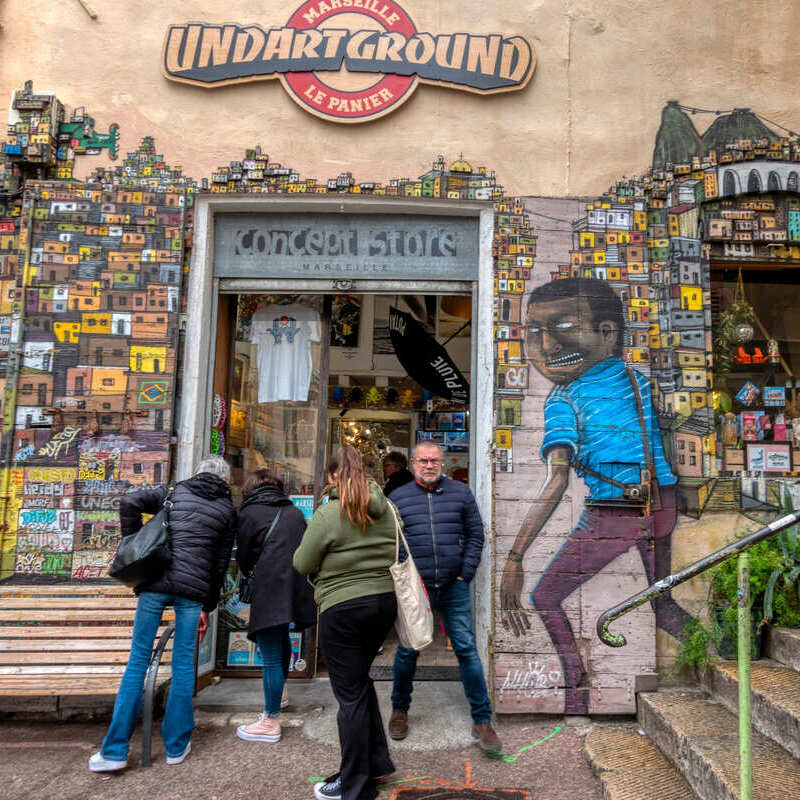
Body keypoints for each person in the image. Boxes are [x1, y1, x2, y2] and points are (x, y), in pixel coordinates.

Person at [499, 277, 691, 715]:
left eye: (562, 326)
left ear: (607, 332)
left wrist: (514, 559)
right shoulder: (635, 379)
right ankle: (717, 649)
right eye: (534, 332)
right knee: (663, 603)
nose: (546, 346)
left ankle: (575, 691)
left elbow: (557, 482)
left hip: (615, 513)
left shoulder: (564, 399)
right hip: (662, 502)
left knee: (544, 597)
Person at [88, 455, 236, 772]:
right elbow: (220, 566)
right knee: (184, 666)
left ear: (197, 473)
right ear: (224, 480)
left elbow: (129, 501)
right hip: (193, 593)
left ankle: (114, 752)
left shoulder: (173, 492)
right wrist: (208, 607)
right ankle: (176, 747)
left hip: (155, 585)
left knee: (138, 661)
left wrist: (132, 541)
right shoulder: (226, 510)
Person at [293, 446, 397, 800]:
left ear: (335, 476)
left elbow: (301, 563)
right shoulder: (387, 508)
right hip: (383, 604)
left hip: (343, 607)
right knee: (359, 683)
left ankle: (355, 787)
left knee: (349, 697)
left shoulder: (327, 513)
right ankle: (377, 764)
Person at [388, 441, 501, 754]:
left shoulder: (460, 493)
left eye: (434, 460)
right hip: (417, 589)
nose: (428, 465)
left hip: (454, 585)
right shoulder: (397, 498)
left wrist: (465, 572)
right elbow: (390, 540)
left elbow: (476, 533)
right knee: (409, 650)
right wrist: (404, 574)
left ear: (442, 463)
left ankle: (482, 719)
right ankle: (399, 710)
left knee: (465, 648)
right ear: (413, 463)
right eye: (423, 460)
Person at [235, 470, 317, 743]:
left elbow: (245, 558)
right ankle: (279, 696)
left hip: (270, 589)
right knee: (281, 642)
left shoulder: (249, 513)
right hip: (295, 589)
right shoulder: (293, 513)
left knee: (270, 654)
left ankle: (270, 721)